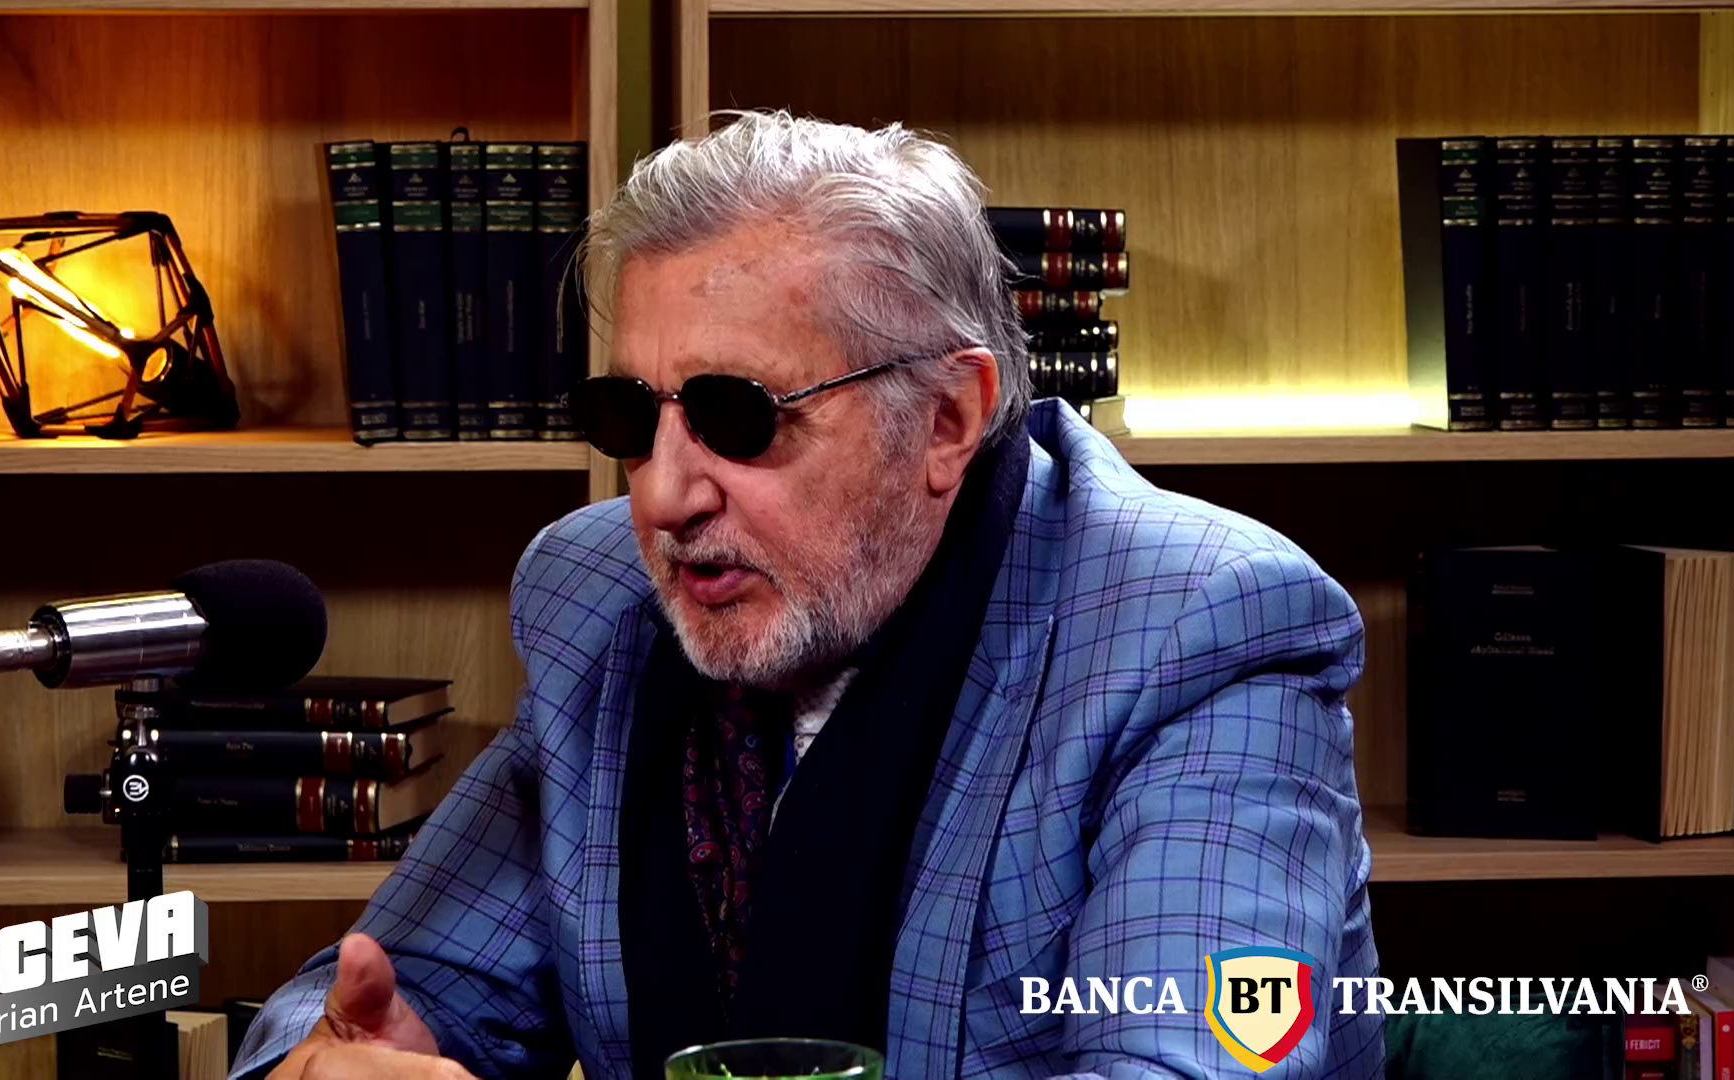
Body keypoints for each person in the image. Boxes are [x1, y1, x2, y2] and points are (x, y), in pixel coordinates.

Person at [235, 110, 1383, 1080]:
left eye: (738, 415)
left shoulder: (1200, 625)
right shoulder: (598, 597)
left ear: (946, 419)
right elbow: (405, 985)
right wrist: (331, 1061)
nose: (664, 497)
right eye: (629, 416)